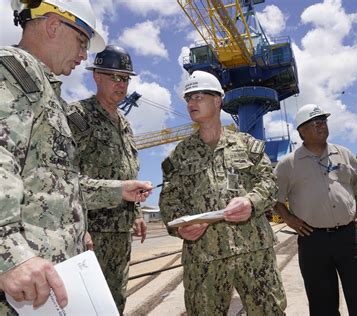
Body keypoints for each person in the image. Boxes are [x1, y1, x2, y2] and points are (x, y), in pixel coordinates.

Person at [0, 1, 152, 314]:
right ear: (53, 25)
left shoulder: (46, 93)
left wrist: (117, 191)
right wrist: (9, 253)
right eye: (82, 43)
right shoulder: (14, 71)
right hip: (25, 280)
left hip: (50, 278)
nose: (84, 55)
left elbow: (57, 185)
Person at [159, 70, 286, 315]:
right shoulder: (179, 156)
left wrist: (251, 202)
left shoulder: (247, 145)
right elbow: (169, 202)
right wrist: (180, 227)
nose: (190, 103)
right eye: (188, 99)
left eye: (198, 97)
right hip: (203, 258)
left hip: (253, 252)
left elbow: (269, 183)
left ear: (217, 100)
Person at [274, 103, 357, 316]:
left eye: (324, 121)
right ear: (302, 130)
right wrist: (289, 218)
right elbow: (274, 198)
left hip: (349, 236)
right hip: (313, 241)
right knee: (322, 305)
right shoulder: (288, 164)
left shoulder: (344, 154)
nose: (322, 126)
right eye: (315, 123)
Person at [68, 45, 146, 313]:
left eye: (125, 78)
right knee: (86, 306)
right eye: (114, 77)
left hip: (120, 235)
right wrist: (81, 228)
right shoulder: (79, 117)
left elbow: (128, 172)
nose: (121, 84)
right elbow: (64, 177)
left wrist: (135, 213)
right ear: (96, 76)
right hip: (91, 235)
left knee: (114, 302)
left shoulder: (125, 124)